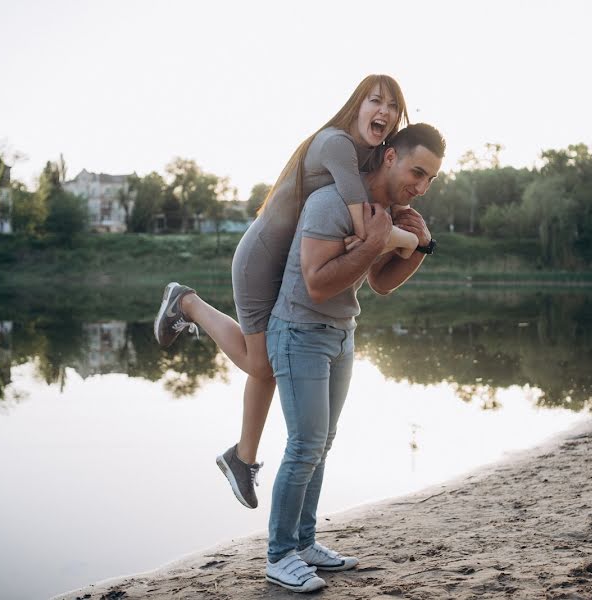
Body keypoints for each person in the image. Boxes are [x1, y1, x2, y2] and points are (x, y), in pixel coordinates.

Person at [153, 75, 420, 509]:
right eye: (376, 101)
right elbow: (361, 219)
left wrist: (400, 224)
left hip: (292, 266)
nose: (385, 113)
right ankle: (187, 302)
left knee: (268, 366)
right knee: (262, 364)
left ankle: (241, 457)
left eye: (393, 106)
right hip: (261, 260)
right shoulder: (335, 144)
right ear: (357, 105)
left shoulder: (374, 156)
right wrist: (399, 240)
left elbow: (378, 212)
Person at [262, 123, 446, 592]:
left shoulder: (386, 213)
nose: (421, 186)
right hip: (300, 331)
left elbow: (381, 283)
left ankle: (304, 543)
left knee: (321, 444)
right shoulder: (329, 204)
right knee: (304, 445)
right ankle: (279, 555)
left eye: (430, 180)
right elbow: (319, 283)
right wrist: (376, 240)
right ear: (389, 157)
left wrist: (419, 246)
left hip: (341, 334)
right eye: (416, 172)